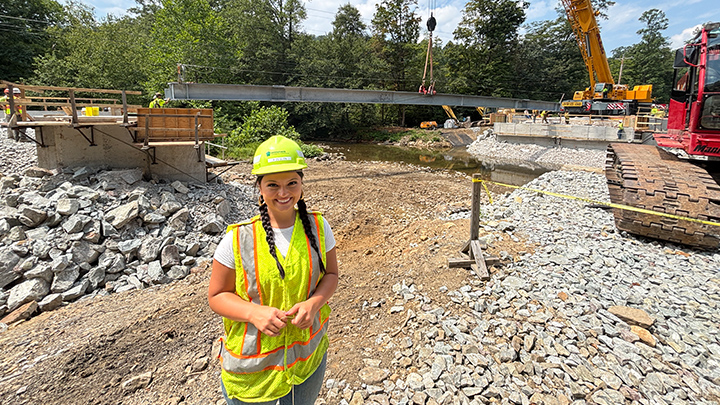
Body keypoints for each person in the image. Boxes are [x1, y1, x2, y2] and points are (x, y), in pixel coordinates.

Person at [209, 135, 339, 405]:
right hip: (253, 374)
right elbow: (217, 295)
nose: (284, 193)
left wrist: (314, 304)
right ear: (259, 188)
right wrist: (253, 313)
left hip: (306, 359)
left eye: (292, 183)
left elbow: (331, 276)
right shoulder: (238, 238)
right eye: (273, 185)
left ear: (302, 183)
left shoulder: (318, 227)